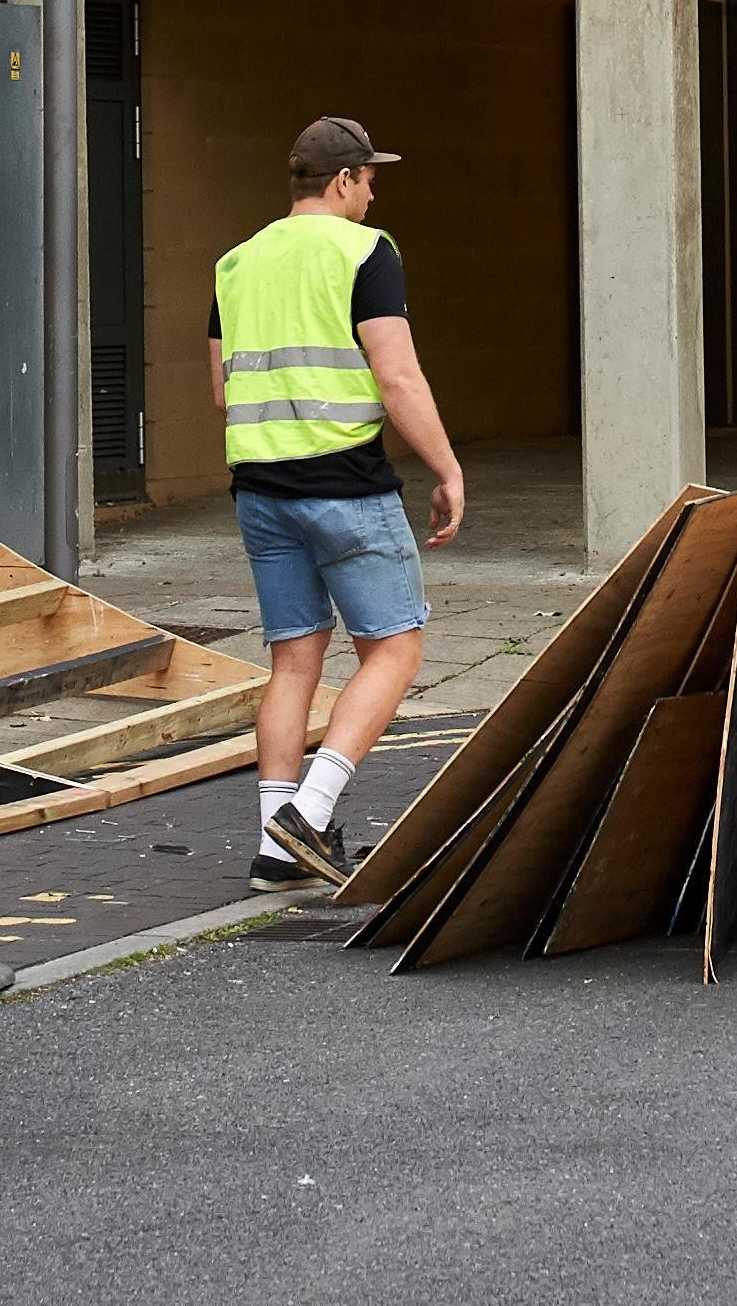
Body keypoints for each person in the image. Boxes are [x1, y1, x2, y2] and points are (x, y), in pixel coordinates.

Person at [211, 115, 467, 891]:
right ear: (344, 181)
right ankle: (312, 813)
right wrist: (447, 467)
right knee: (394, 648)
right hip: (345, 483)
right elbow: (397, 377)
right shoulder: (367, 251)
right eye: (369, 178)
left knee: (294, 659)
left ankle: (273, 849)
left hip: (260, 488)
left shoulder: (237, 262)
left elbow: (222, 393)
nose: (373, 191)